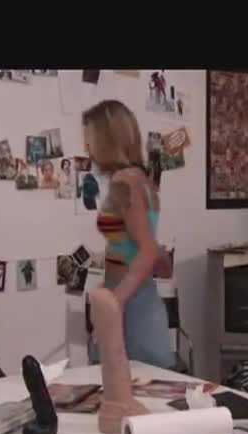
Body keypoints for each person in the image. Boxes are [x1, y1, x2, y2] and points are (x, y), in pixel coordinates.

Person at [83, 99, 174, 370]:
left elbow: (146, 249)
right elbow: (147, 246)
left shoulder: (124, 181)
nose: (87, 147)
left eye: (89, 138)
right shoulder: (140, 179)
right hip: (136, 298)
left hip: (132, 306)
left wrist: (115, 301)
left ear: (106, 138)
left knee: (130, 388)